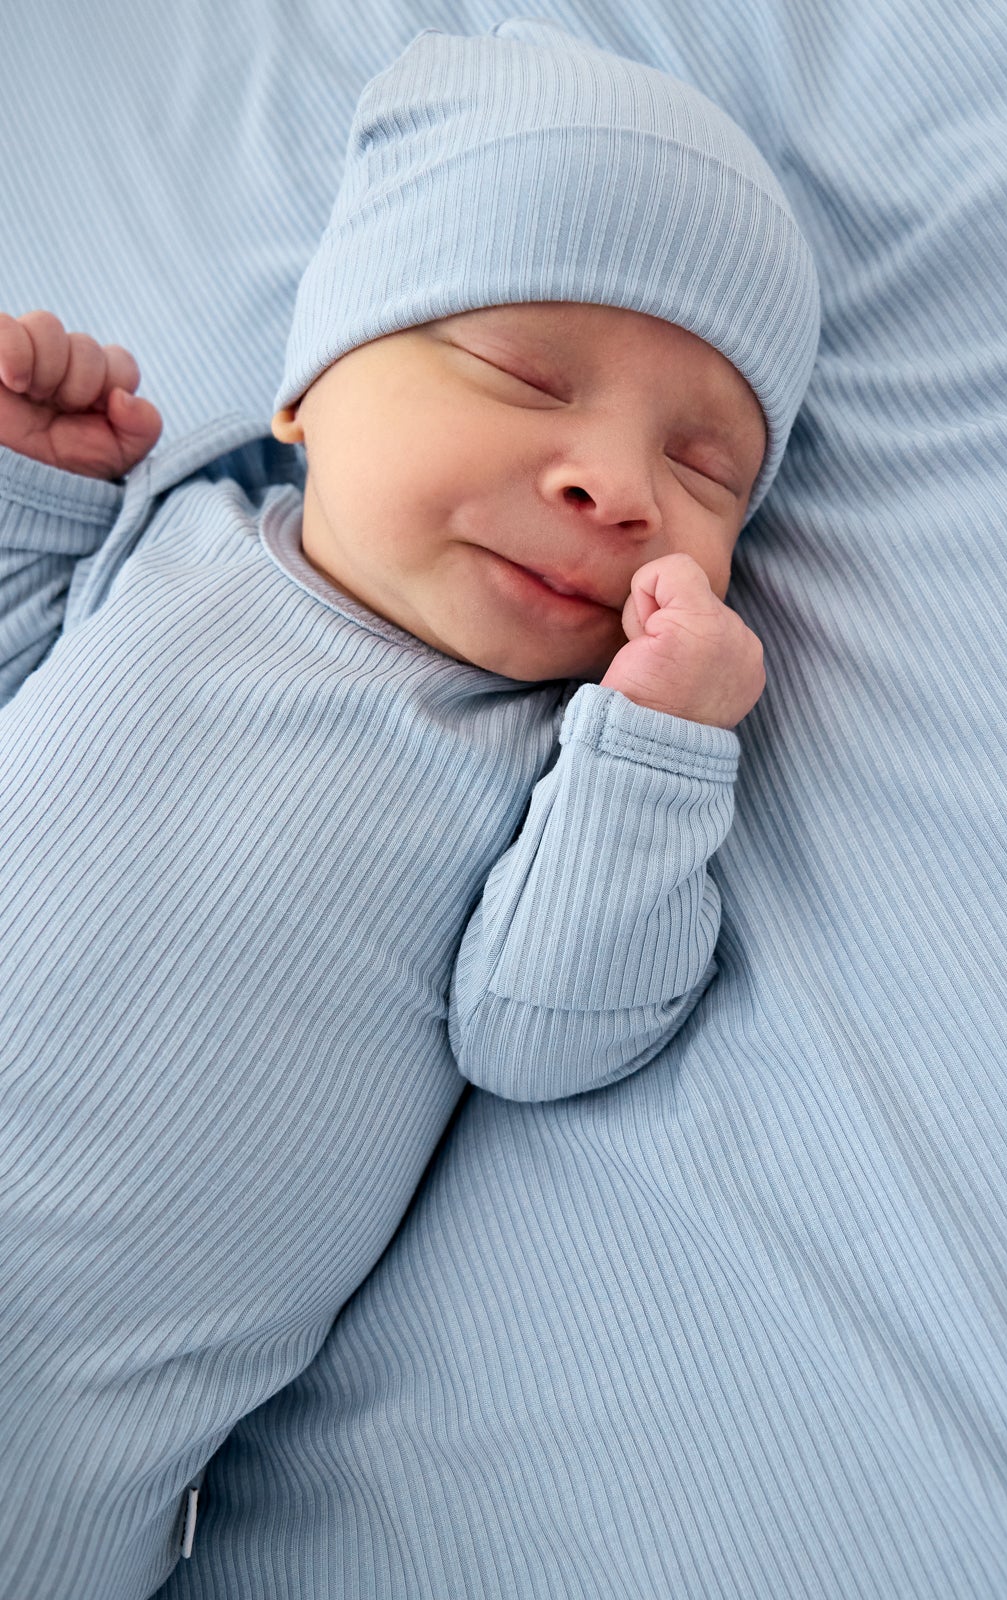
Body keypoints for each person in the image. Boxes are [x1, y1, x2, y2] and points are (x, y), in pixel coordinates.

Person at [0, 18, 819, 1600]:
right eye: (525, 375)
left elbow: (544, 1030)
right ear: (310, 388)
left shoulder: (551, 756)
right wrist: (36, 491)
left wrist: (655, 757)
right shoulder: (174, 541)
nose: (618, 483)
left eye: (708, 470)